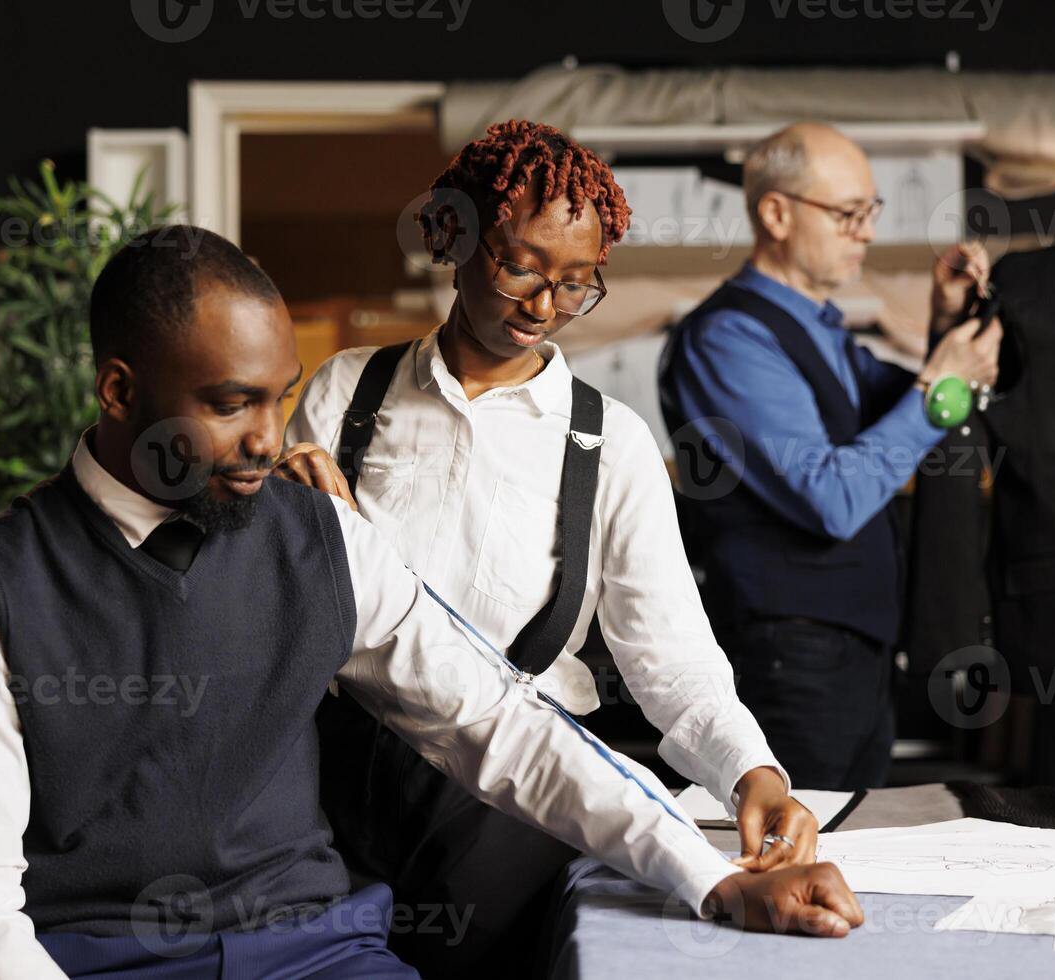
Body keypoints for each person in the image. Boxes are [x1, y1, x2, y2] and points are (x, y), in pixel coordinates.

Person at [0, 225, 863, 980]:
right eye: (232, 404)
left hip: (317, 954)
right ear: (118, 390)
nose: (270, 441)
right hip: (104, 964)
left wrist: (718, 878)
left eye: (281, 399)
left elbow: (501, 722)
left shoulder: (322, 538)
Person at [278, 120, 812, 978]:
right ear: (453, 236)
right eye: (521, 266)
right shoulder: (345, 391)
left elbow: (670, 655)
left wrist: (751, 772)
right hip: (328, 786)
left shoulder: (612, 443)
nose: (543, 307)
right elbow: (279, 604)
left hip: (509, 810)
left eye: (576, 285)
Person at [659, 122, 1002, 792]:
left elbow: (932, 406)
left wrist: (945, 326)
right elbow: (834, 499)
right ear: (776, 213)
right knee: (789, 863)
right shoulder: (729, 338)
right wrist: (943, 381)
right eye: (848, 213)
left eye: (869, 213)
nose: (866, 232)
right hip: (791, 658)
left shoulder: (822, 332)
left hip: (855, 653)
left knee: (850, 854)